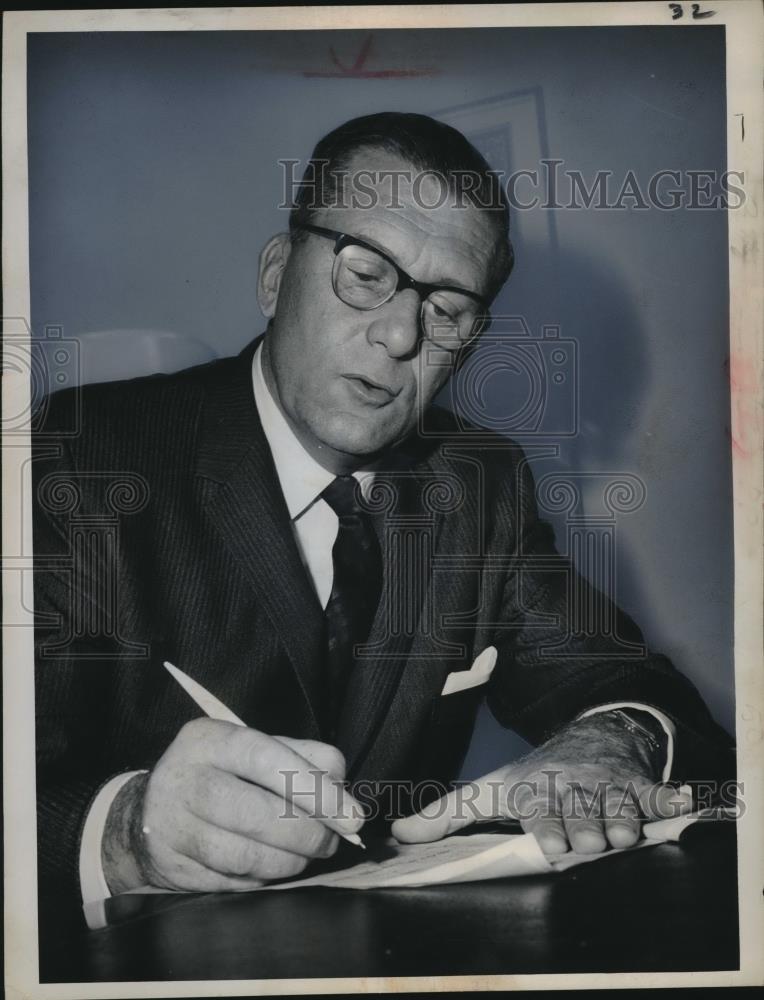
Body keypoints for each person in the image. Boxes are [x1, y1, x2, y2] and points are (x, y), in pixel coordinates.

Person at [34, 112, 734, 905]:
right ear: (273, 276)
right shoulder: (81, 456)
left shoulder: (478, 485)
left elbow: (626, 681)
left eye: (447, 309)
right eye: (366, 273)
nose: (401, 333)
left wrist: (613, 741)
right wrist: (122, 832)